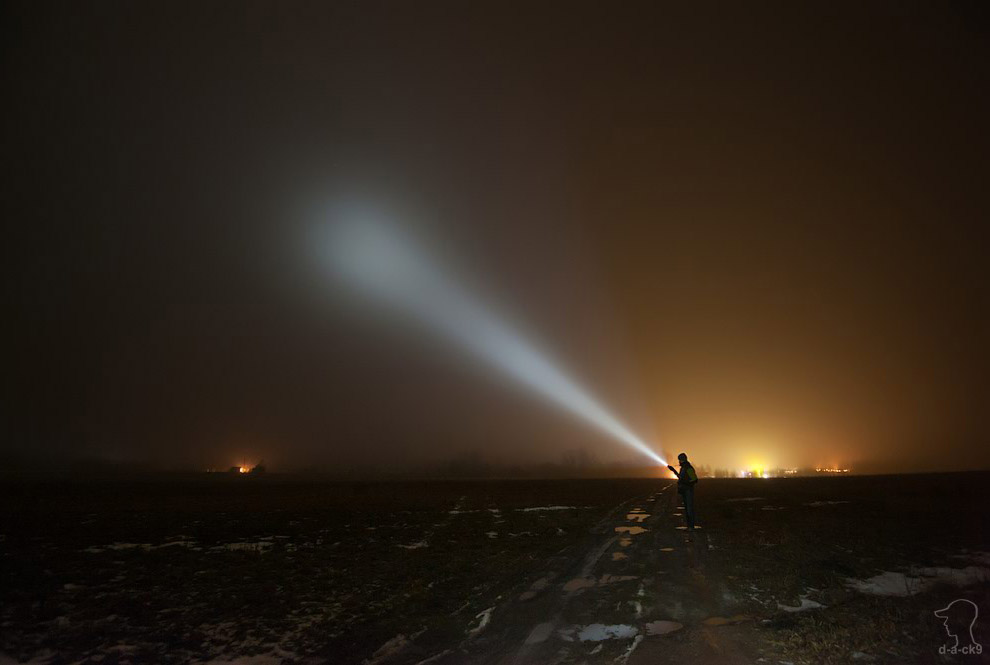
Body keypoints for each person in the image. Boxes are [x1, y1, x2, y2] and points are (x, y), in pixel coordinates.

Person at [667, 453, 698, 530]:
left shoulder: (688, 468)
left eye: (679, 460)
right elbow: (680, 477)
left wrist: (685, 483)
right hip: (685, 490)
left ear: (682, 460)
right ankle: (689, 526)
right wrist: (673, 470)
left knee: (689, 508)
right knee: (687, 508)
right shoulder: (684, 468)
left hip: (688, 491)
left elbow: (695, 479)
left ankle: (691, 527)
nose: (679, 462)